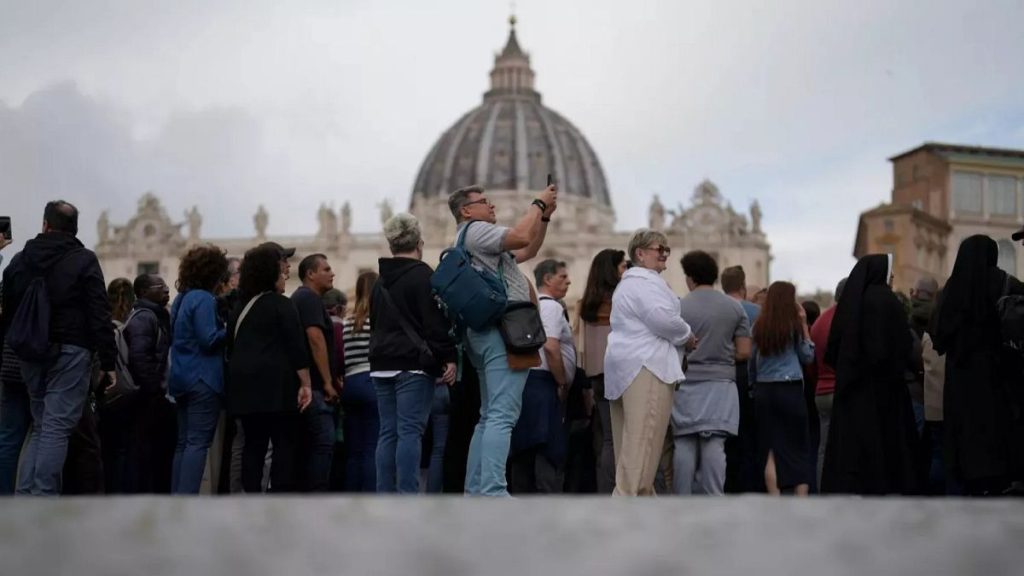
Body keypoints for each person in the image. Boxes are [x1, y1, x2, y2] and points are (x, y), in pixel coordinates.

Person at [447, 183, 557, 497]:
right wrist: (538, 202)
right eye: (484, 202)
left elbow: (529, 248)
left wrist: (544, 219)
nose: (491, 206)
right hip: (500, 333)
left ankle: (477, 489)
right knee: (502, 414)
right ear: (466, 211)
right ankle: (493, 490)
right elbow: (521, 236)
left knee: (489, 415)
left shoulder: (475, 240)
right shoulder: (477, 231)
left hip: (485, 334)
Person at [0, 201, 116, 496]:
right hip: (71, 351)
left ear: (45, 225)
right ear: (75, 229)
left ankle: (25, 498)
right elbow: (99, 312)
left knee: (40, 426)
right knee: (56, 428)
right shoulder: (84, 260)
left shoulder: (20, 260)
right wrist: (108, 360)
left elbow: (9, 304)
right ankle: (42, 498)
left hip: (30, 352)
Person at [369, 213, 457, 494]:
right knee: (410, 432)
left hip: (381, 364)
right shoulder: (423, 276)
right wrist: (448, 357)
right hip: (412, 366)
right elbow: (435, 325)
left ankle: (385, 492)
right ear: (419, 242)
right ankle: (407, 496)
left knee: (387, 433)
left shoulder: (379, 283)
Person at [933, 235, 1024, 496]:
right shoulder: (1004, 282)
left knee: (966, 444)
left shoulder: (951, 289)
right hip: (999, 378)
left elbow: (938, 335)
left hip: (960, 378)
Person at [605, 229, 693, 496]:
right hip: (647, 367)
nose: (665, 254)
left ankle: (641, 510)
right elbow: (661, 318)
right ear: (640, 254)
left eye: (667, 249)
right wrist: (687, 335)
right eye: (660, 249)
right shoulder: (644, 283)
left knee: (631, 448)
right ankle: (625, 513)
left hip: (629, 367)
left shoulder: (631, 283)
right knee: (643, 448)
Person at [822, 254, 919, 495]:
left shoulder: (853, 304)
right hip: (887, 391)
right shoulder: (887, 301)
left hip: (854, 390)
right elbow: (901, 344)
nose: (893, 277)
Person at [226, 244, 313, 493]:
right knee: (283, 446)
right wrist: (306, 384)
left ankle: (251, 497)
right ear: (270, 270)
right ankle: (278, 499)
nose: (287, 270)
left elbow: (231, 347)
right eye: (282, 266)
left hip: (243, 389)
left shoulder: (239, 308)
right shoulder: (281, 305)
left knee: (253, 446)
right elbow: (297, 348)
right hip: (278, 389)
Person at [673, 251, 750, 495]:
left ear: (690, 278)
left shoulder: (678, 307)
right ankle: (714, 497)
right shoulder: (735, 309)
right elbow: (744, 352)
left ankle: (681, 498)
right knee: (715, 444)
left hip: (684, 384)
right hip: (720, 383)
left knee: (683, 442)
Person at [509, 259, 576, 494]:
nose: (569, 281)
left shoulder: (539, 305)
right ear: (547, 279)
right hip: (543, 385)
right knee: (546, 447)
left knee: (527, 445)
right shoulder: (551, 307)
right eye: (562, 277)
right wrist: (561, 381)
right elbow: (550, 346)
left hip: (532, 383)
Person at [168, 244, 229, 494]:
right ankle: (187, 499)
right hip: (203, 378)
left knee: (183, 443)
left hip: (181, 376)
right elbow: (209, 339)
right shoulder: (204, 299)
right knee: (198, 443)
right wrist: (231, 329)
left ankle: (177, 496)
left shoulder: (182, 299)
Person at [750, 282, 815, 496]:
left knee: (770, 448)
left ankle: (775, 498)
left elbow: (753, 361)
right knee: (798, 447)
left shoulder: (759, 326)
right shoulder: (793, 325)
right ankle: (801, 498)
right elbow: (807, 357)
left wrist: (753, 388)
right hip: (790, 389)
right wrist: (804, 325)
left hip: (764, 390)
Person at [575, 249, 627, 494]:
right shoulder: (620, 299)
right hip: (620, 373)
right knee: (624, 437)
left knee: (607, 437)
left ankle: (606, 488)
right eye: (622, 266)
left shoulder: (587, 303)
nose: (625, 270)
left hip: (596, 374)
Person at [292, 253, 340, 492]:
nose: (332, 273)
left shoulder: (302, 298)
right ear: (310, 274)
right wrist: (328, 381)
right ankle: (317, 499)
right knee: (323, 445)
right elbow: (315, 338)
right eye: (326, 269)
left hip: (310, 387)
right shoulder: (309, 299)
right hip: (317, 389)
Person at [123, 274, 174, 493]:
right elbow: (140, 357)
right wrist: (154, 390)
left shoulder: (156, 315)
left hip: (153, 395)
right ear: (143, 292)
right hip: (149, 397)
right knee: (148, 452)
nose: (166, 290)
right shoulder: (145, 318)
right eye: (160, 286)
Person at [720, 265, 761, 493]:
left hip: (723, 376)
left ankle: (727, 484)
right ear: (743, 287)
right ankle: (749, 486)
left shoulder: (717, 308)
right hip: (748, 375)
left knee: (725, 436)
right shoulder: (756, 312)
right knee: (748, 434)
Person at [340, 271, 379, 492]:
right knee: (372, 446)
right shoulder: (377, 321)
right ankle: (370, 496)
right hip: (371, 382)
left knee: (354, 449)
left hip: (350, 383)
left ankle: (351, 493)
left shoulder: (347, 322)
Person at [98, 278, 137, 493]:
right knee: (122, 449)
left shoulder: (101, 326)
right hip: (122, 394)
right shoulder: (126, 329)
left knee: (105, 447)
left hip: (102, 393)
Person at [809, 278, 846, 488]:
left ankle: (822, 487)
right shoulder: (848, 319)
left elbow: (812, 363)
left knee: (823, 447)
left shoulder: (820, 322)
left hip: (821, 391)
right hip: (840, 390)